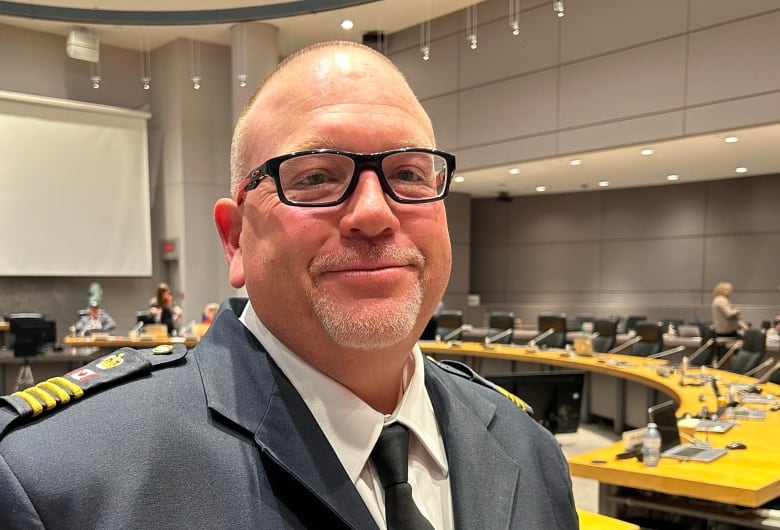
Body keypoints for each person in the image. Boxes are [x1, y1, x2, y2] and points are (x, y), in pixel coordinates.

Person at [0, 41, 578, 529]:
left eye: (408, 173)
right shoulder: (57, 481)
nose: (375, 213)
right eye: (317, 177)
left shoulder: (531, 449)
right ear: (234, 239)